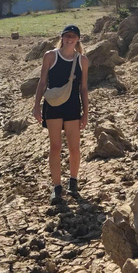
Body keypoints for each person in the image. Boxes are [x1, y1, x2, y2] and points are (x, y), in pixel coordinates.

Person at [33, 24, 90, 204]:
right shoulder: (50, 56)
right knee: (55, 147)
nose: (70, 38)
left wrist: (86, 112)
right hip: (53, 106)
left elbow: (84, 88)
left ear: (78, 39)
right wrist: (36, 105)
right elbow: (42, 82)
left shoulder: (83, 60)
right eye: (67, 35)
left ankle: (73, 181)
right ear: (62, 37)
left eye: (73, 35)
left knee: (74, 148)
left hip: (73, 106)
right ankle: (57, 187)